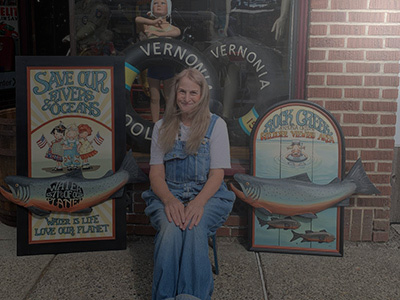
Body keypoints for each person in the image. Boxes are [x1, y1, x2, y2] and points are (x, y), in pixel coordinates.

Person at [142, 68, 235, 300]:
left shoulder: (216, 125)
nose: (186, 98)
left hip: (208, 195)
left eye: (193, 92)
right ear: (174, 93)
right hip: (168, 192)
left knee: (194, 227)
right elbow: (155, 174)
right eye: (182, 91)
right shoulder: (162, 127)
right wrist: (169, 200)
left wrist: (198, 203)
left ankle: (191, 297)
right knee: (171, 229)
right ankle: (164, 296)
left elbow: (217, 175)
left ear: (202, 95)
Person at [135, 0, 181, 122]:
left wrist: (157, 33)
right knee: (154, 98)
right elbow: (137, 20)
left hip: (168, 66)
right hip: (153, 66)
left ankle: (170, 122)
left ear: (169, 8)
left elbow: (177, 32)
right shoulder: (148, 26)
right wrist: (152, 22)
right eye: (155, 3)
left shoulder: (171, 28)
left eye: (162, 3)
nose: (159, 5)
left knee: (168, 97)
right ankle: (155, 123)